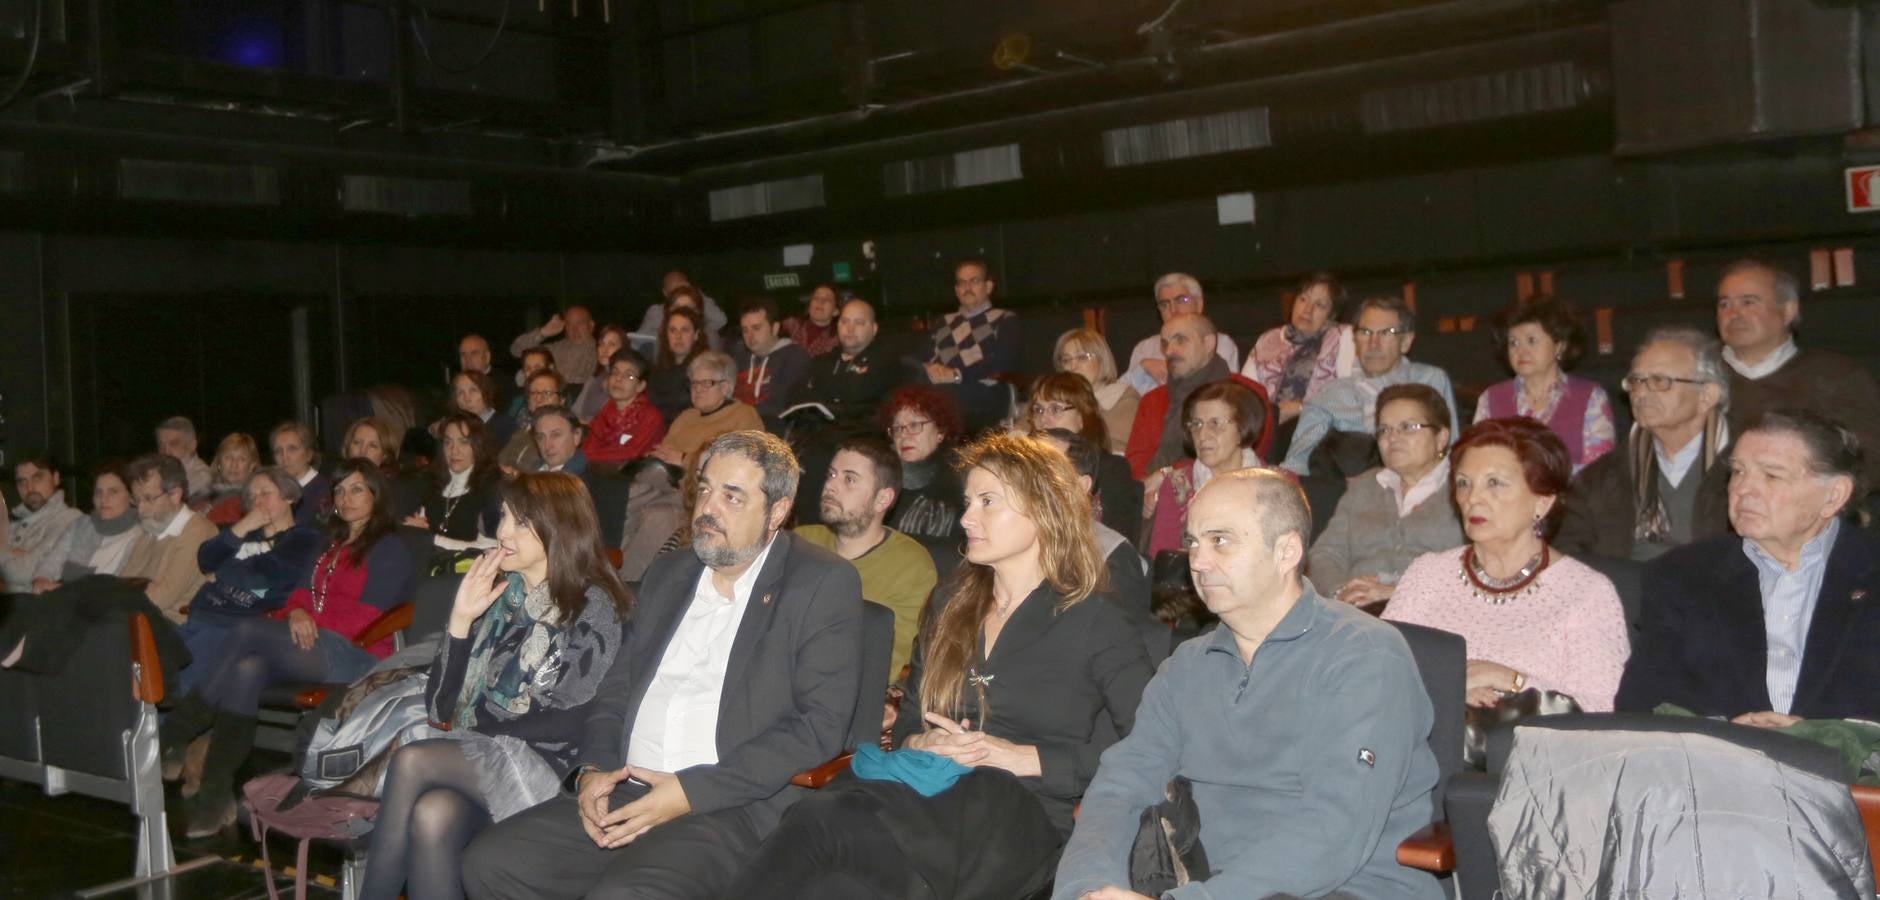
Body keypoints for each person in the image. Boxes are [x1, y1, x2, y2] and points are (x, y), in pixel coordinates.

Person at [726, 433, 1153, 900]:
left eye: (988, 502)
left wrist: (1025, 758)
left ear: (1044, 509)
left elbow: (1153, 744)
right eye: (969, 501)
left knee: (822, 825)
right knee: (834, 875)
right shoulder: (951, 603)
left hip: (1017, 818)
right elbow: (911, 715)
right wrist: (921, 739)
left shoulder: (1095, 619)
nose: (967, 517)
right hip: (923, 793)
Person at [460, 431, 864, 900]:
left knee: (621, 894)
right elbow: (618, 686)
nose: (709, 508)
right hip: (626, 787)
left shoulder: (821, 583)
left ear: (777, 511)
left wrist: (690, 792)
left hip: (726, 805)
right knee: (490, 864)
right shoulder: (672, 572)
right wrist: (593, 770)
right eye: (706, 489)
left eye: (732, 496)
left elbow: (819, 726)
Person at [1052, 469, 1445, 900]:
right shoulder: (1188, 665)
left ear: (1286, 551)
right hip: (1200, 880)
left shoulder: (1364, 656)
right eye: (1194, 542)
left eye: (1220, 540)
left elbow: (1335, 828)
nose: (1198, 561)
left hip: (1347, 888)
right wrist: (1087, 886)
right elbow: (1121, 784)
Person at [360, 473, 631, 900]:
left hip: (553, 771)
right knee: (433, 815)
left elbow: (570, 721)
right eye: (504, 517)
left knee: (412, 760)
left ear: (559, 528)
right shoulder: (505, 598)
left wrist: (479, 732)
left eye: (521, 523)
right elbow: (439, 710)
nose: (503, 532)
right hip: (485, 756)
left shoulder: (592, 605)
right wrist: (461, 620)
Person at [156, 459, 413, 837]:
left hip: (358, 653)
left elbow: (367, 616)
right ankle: (215, 796)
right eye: (340, 490)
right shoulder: (329, 541)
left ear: (376, 494)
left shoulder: (390, 547)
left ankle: (177, 732)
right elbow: (299, 593)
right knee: (247, 670)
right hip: (313, 645)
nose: (347, 497)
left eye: (357, 489)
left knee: (246, 632)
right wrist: (295, 612)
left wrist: (310, 619)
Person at [1617, 409, 1880, 724]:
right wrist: (1726, 733)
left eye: (1771, 475)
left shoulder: (1870, 572)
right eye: (1739, 472)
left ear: (1834, 495)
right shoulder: (1682, 575)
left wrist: (1821, 739)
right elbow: (1641, 703)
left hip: (1850, 769)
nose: (1743, 489)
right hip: (1720, 765)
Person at [1383, 418, 1629, 711]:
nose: (1473, 498)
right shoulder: (1428, 574)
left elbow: (1601, 710)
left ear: (1542, 503)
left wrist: (1508, 679)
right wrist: (1446, 688)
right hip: (1426, 745)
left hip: (1533, 751)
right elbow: (1377, 669)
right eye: (1464, 483)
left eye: (1494, 483)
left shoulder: (1587, 593)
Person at [1556, 325, 1733, 561]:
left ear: (1707, 396)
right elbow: (1567, 553)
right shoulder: (1601, 477)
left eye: (1660, 381)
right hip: (1626, 592)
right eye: (1636, 381)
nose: (1641, 393)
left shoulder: (1743, 469)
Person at [1716, 258, 1880, 487]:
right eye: (1724, 304)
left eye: (1748, 302)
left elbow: (1869, 461)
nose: (1733, 313)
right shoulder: (1691, 375)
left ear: (1788, 310)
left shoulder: (1836, 376)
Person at [794, 436, 938, 680]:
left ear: (882, 499)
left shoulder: (911, 566)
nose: (831, 486)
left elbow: (885, 662)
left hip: (840, 693)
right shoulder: (799, 542)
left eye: (849, 479)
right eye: (831, 475)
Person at [1307, 384, 1463, 610]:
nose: (1393, 438)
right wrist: (1342, 592)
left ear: (1441, 437)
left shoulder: (1464, 487)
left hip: (1431, 614)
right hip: (1356, 612)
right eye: (1384, 430)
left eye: (1407, 427)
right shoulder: (1364, 486)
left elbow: (1477, 568)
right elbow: (1325, 553)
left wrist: (1395, 594)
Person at [174, 467, 321, 697]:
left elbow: (260, 576)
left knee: (180, 682)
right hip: (200, 615)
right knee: (147, 657)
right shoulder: (242, 533)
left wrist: (220, 571)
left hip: (237, 624)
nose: (257, 501)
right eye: (251, 496)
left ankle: (163, 731)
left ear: (289, 497)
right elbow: (205, 560)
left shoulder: (303, 538)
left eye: (265, 493)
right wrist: (242, 527)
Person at [1283, 295, 1459, 477]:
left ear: (1406, 341)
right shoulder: (1332, 394)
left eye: (1385, 333)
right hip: (1348, 492)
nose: (1373, 344)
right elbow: (1298, 459)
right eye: (1365, 332)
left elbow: (1451, 450)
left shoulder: (1429, 381)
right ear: (1355, 339)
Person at [1474, 295, 1616, 473]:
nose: (1521, 351)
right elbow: (1479, 461)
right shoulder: (1490, 399)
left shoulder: (1591, 396)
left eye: (1532, 340)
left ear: (1560, 346)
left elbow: (1599, 470)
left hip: (1574, 498)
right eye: (1513, 343)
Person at [1123, 314, 1273, 479]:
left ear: (1208, 343)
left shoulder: (1246, 392)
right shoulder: (1152, 401)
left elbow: (1249, 454)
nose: (1169, 351)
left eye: (1180, 340)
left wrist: (1168, 475)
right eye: (1165, 344)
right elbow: (1135, 462)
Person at [1036, 429, 1152, 623]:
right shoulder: (1001, 539)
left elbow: (1120, 638)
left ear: (1081, 486)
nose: (1031, 477)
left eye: (1046, 466)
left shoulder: (1111, 556)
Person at [1143, 380, 1266, 558]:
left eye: (1216, 423)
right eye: (1197, 424)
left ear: (1242, 428)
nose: (1202, 435)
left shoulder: (1277, 485)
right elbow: (1163, 556)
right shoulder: (1178, 483)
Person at [1028, 372, 1143, 540]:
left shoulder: (1112, 469)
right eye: (1038, 410)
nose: (1043, 419)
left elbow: (1117, 541)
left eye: (1056, 409)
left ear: (1083, 417)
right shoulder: (1023, 467)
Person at [1241, 271, 1356, 427]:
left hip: (1323, 430)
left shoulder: (1343, 336)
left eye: (1320, 305)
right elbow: (1244, 393)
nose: (1307, 309)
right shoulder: (1269, 338)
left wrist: (1301, 408)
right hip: (1268, 429)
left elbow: (1351, 396)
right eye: (1303, 299)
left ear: (1332, 314)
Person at [120, 454, 221, 621]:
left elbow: (163, 597)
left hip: (175, 627)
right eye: (136, 501)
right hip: (140, 620)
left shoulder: (198, 532)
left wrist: (113, 605)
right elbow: (122, 583)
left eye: (148, 499)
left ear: (175, 495)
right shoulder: (149, 531)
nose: (141, 510)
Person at [925, 257, 1021, 431]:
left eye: (974, 281)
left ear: (988, 287)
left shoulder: (1005, 319)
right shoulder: (942, 322)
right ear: (956, 290)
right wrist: (930, 368)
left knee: (939, 402)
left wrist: (956, 375)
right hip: (941, 390)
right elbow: (922, 357)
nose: (967, 288)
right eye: (962, 283)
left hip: (984, 389)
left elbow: (1003, 363)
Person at [29, 462, 149, 594]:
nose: (103, 499)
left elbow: (116, 589)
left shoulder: (141, 535)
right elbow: (52, 561)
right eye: (98, 492)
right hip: (64, 600)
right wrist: (41, 580)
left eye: (113, 492)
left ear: (131, 497)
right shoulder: (81, 524)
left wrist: (61, 589)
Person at [880, 385, 967, 557]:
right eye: (898, 428)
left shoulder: (962, 480)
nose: (904, 435)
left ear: (940, 432)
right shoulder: (881, 479)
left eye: (914, 425)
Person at [1121, 272, 1241, 395]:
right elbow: (1121, 399)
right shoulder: (1144, 348)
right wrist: (1141, 368)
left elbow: (1225, 392)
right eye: (1164, 304)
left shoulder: (1219, 342)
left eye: (1182, 300)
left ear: (1199, 305)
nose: (1173, 310)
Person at [789, 297, 896, 434]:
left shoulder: (886, 359)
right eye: (845, 321)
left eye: (859, 323)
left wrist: (819, 387)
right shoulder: (823, 360)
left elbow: (858, 391)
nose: (850, 329)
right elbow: (795, 394)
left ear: (874, 329)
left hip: (865, 437)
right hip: (820, 435)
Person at [648, 351, 763, 475]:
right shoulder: (686, 416)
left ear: (725, 387)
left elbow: (738, 464)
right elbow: (663, 451)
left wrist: (684, 459)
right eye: (694, 383)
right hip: (666, 479)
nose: (697, 389)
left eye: (706, 383)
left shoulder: (743, 415)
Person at [404, 413, 503, 545]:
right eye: (448, 442)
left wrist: (432, 539)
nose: (454, 450)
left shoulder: (493, 487)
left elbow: (492, 545)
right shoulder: (430, 480)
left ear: (478, 446)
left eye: (463, 442)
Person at [4, 455, 83, 594]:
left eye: (37, 478)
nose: (30, 488)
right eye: (22, 482)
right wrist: (10, 554)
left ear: (56, 478)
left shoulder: (71, 519)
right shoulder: (12, 524)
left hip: (38, 609)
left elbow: (23, 573)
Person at [1054, 328, 1139, 455]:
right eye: (1066, 360)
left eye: (1082, 357)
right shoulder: (1055, 395)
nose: (1072, 366)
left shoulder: (1123, 397)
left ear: (1101, 360)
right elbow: (1027, 421)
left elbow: (1115, 449)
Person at [582, 350, 667, 472]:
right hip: (600, 471)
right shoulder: (606, 411)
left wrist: (584, 458)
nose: (618, 379)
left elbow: (632, 452)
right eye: (615, 372)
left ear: (641, 386)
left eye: (629, 375)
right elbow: (589, 446)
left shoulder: (651, 417)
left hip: (634, 478)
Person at [732, 297, 812, 421]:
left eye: (756, 328)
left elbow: (784, 405)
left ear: (775, 328)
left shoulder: (795, 357)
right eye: (745, 330)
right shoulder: (739, 359)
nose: (750, 336)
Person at [497, 369, 568, 474]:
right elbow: (499, 462)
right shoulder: (521, 432)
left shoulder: (565, 436)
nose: (539, 399)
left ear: (562, 400)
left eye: (547, 393)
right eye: (534, 393)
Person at [649, 304, 709, 424]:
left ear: (696, 334)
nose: (678, 336)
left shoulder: (705, 372)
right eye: (673, 330)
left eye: (685, 330)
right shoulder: (656, 371)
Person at [511, 305, 598, 386]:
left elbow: (577, 381)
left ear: (591, 325)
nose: (574, 329)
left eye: (579, 323)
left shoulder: (600, 351)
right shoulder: (556, 348)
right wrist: (543, 332)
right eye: (569, 324)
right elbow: (516, 350)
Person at [635, 269, 729, 343]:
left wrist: (695, 294)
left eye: (682, 290)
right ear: (665, 293)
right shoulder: (656, 311)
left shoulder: (698, 312)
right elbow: (640, 339)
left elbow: (721, 320)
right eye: (674, 293)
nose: (679, 295)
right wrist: (664, 333)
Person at [271, 421, 331, 527]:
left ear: (309, 454)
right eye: (278, 451)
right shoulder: (273, 491)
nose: (285, 457)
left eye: (292, 449)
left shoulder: (325, 492)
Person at [573, 324, 632, 421]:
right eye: (601, 344)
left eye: (611, 344)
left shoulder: (626, 382)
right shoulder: (593, 379)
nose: (604, 349)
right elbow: (576, 411)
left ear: (623, 349)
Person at [452, 370, 517, 453]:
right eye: (461, 393)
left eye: (473, 390)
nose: (467, 398)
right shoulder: (454, 428)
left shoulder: (505, 425)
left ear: (486, 393)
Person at [204, 432, 262, 526]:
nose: (234, 464)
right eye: (228, 458)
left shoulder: (255, 501)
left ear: (252, 466)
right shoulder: (200, 496)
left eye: (242, 459)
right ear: (219, 463)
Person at [156, 416, 215, 503]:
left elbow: (167, 505)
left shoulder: (202, 477)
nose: (166, 451)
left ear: (192, 445)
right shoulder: (160, 472)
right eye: (161, 445)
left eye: (173, 444)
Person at [782, 283, 841, 357]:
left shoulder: (838, 339)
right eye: (816, 298)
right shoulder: (790, 326)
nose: (820, 302)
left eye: (826, 299)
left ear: (836, 311)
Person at [530, 406, 589, 476]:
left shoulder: (588, 480)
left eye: (556, 435)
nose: (547, 446)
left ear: (576, 436)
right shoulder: (531, 471)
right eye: (540, 437)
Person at [504, 348, 557, 419]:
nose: (533, 372)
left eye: (537, 367)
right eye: (528, 369)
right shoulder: (518, 401)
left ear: (551, 368)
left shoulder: (560, 394)